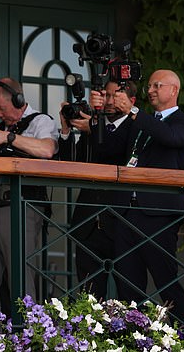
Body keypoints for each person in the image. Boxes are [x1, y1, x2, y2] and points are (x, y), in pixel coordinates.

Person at [91, 69, 184, 323]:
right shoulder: (138, 121)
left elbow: (170, 137)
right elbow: (107, 150)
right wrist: (97, 116)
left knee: (166, 281)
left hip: (158, 214)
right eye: (149, 86)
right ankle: (133, 339)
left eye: (156, 85)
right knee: (127, 284)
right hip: (127, 211)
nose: (150, 90)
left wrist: (134, 113)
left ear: (173, 90)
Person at [0, 77, 59, 314]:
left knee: (21, 277)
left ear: (19, 100)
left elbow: (47, 150)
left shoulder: (40, 121)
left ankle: (28, 333)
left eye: (2, 107)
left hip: (22, 206)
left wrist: (9, 138)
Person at [58, 79, 137, 299]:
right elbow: (70, 165)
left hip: (122, 222)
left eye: (114, 96)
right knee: (89, 295)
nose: (109, 101)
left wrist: (94, 127)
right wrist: (66, 130)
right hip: (88, 222)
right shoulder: (93, 124)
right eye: (106, 96)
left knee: (128, 294)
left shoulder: (134, 125)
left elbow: (117, 152)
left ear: (131, 101)